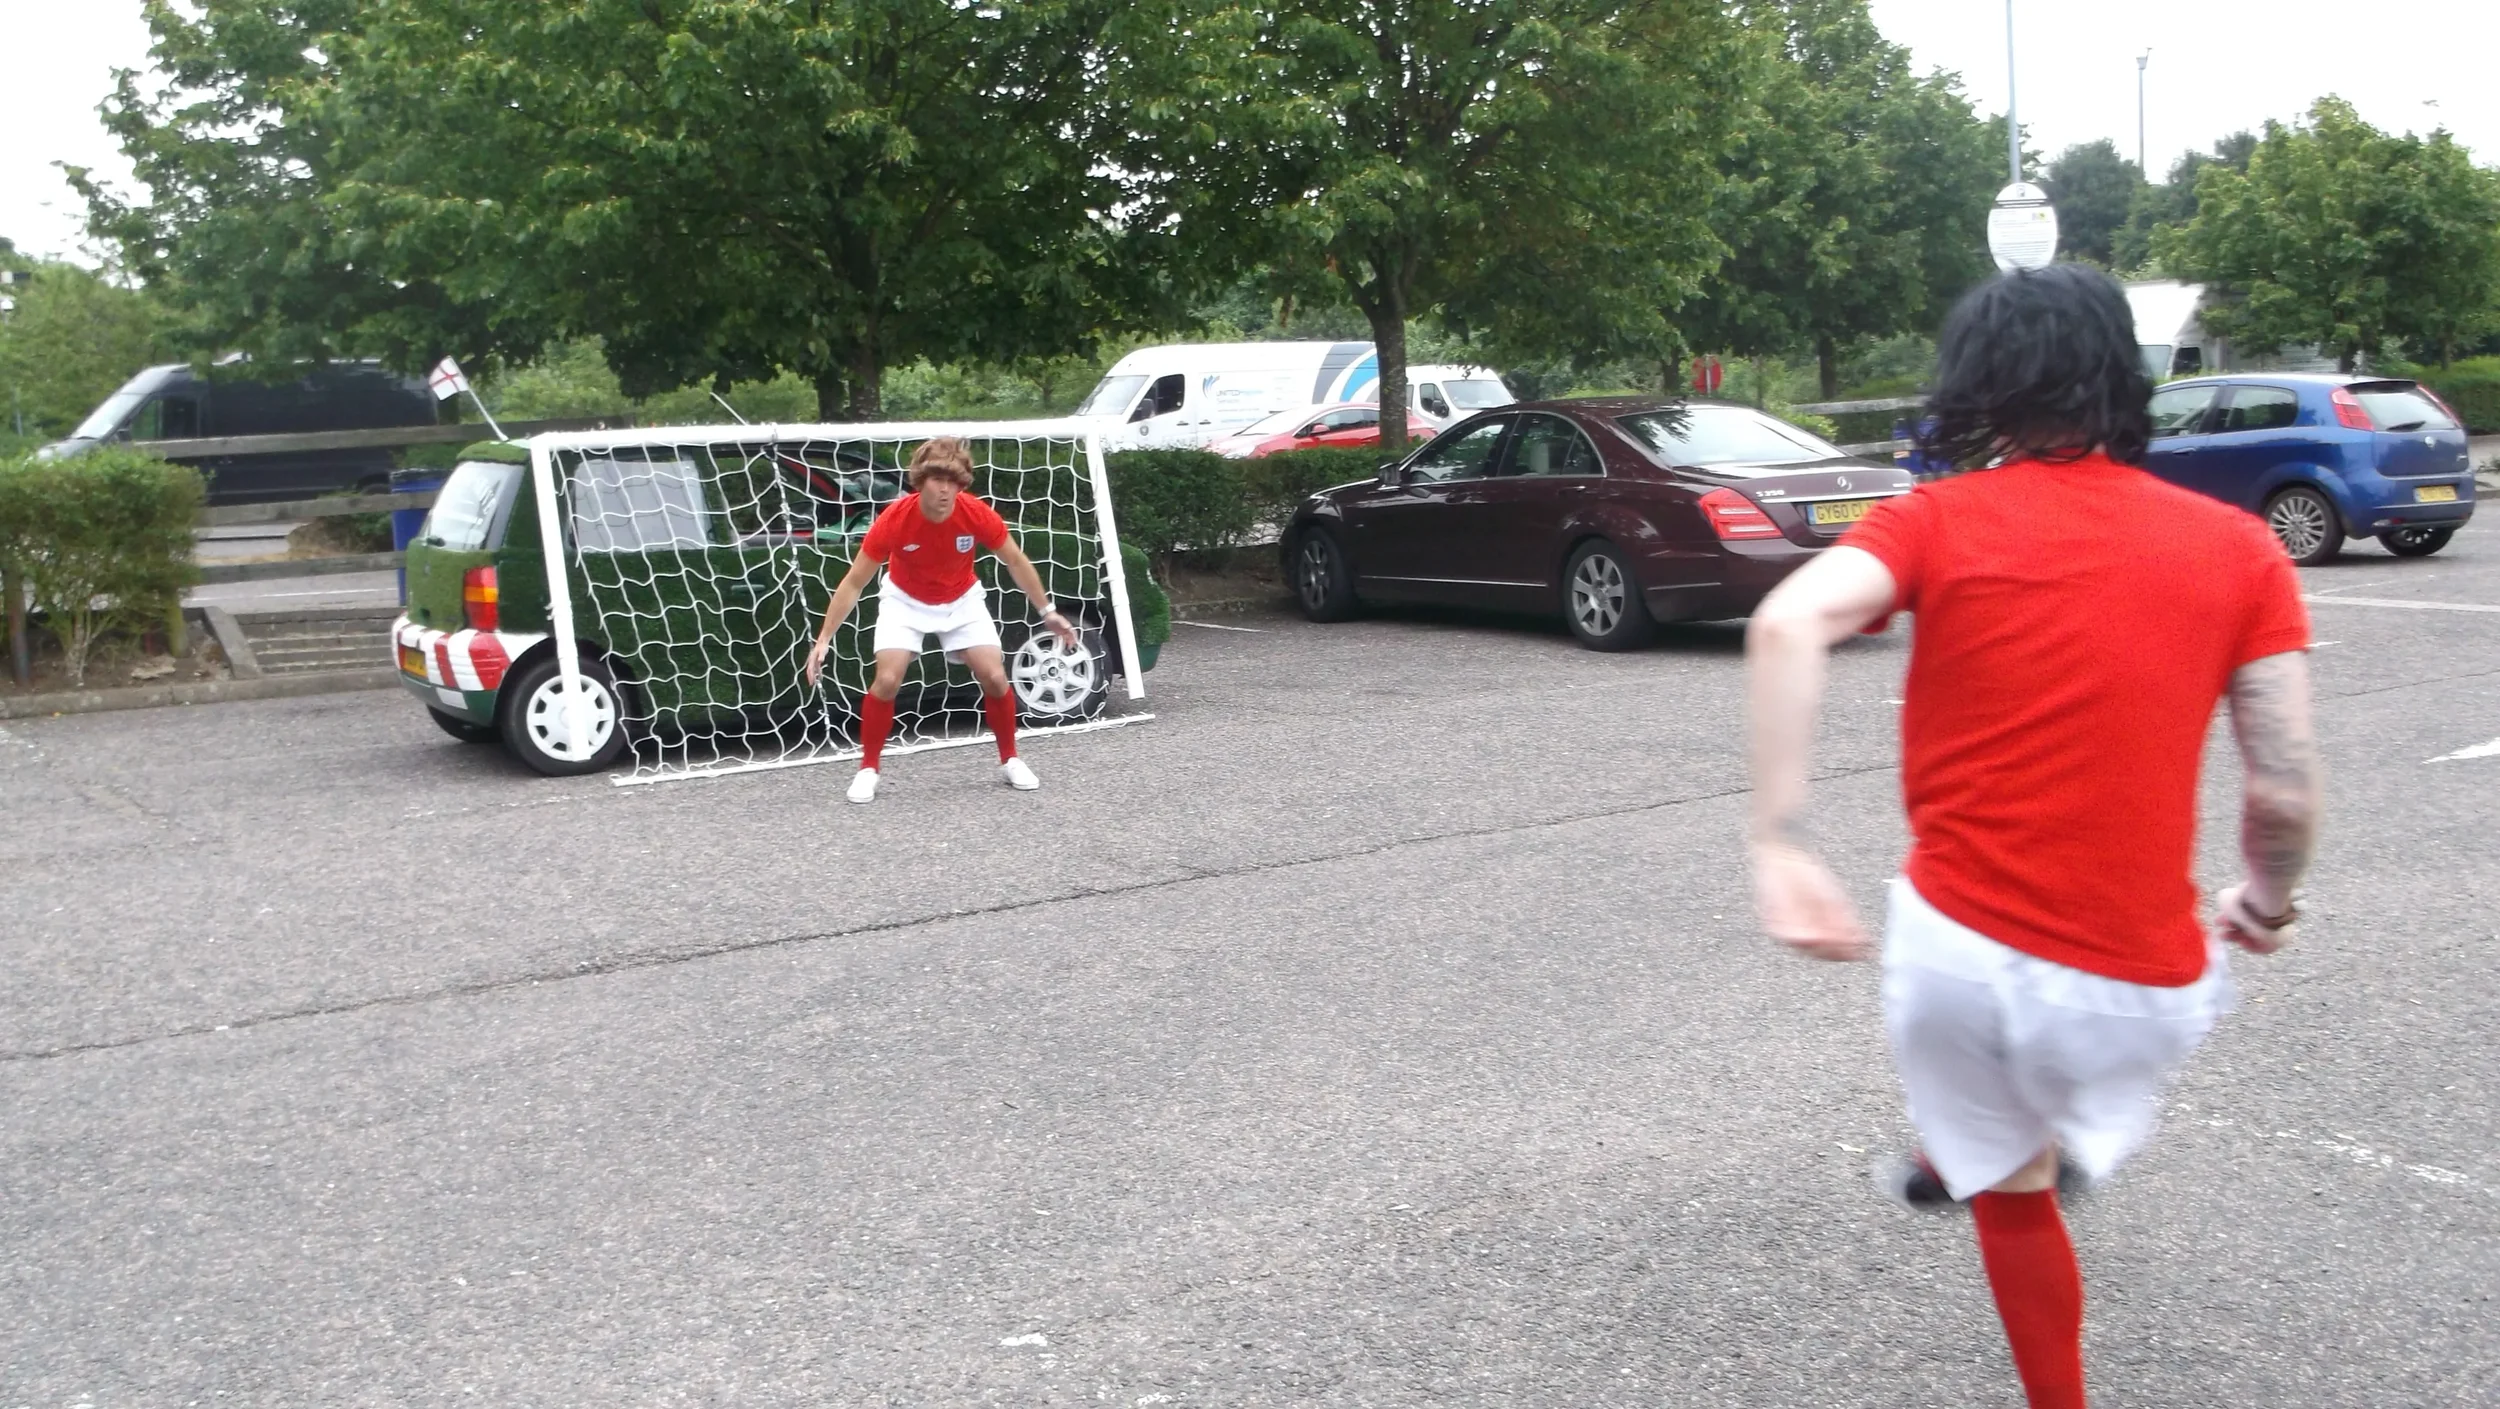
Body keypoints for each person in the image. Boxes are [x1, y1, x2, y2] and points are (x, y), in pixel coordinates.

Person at [1742, 265, 2322, 1409]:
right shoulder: (2240, 549)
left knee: (2008, 1161)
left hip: (1952, 959)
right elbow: (2287, 792)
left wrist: (1778, 838)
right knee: (2072, 1076)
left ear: (1980, 385)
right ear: (2123, 378)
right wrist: (2264, 898)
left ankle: (2013, 1228)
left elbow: (1785, 619)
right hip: (2138, 991)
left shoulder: (1930, 519)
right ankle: (2031, 1134)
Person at [804, 437, 1079, 804]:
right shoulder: (896, 518)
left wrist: (1048, 612)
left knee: (996, 677)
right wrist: (823, 639)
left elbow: (1015, 560)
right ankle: (868, 768)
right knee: (887, 679)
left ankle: (1010, 758)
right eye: (937, 479)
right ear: (920, 481)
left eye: (954, 481)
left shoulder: (975, 513)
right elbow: (855, 580)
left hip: (961, 599)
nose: (945, 489)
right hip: (904, 599)